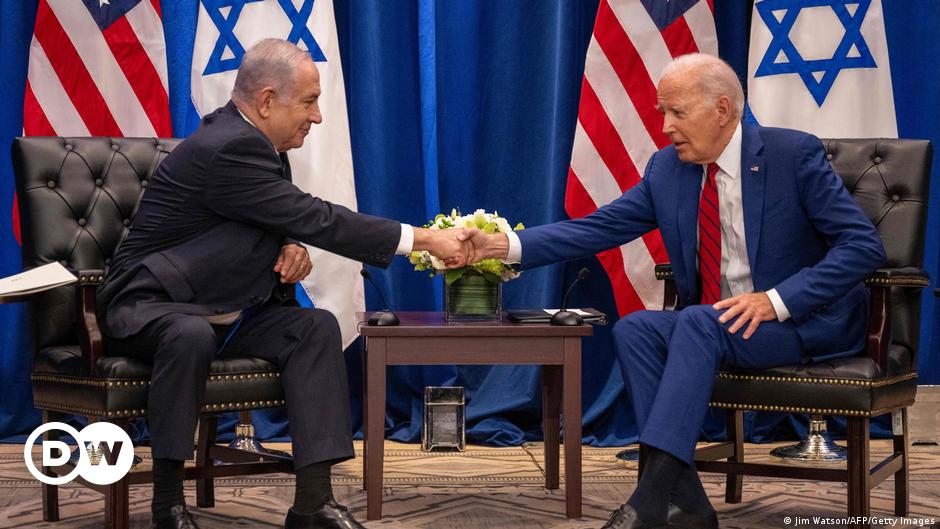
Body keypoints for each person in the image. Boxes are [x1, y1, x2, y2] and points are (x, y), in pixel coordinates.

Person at [462, 53, 886, 529]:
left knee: (698, 320)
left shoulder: (792, 156)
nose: (664, 127)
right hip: (715, 326)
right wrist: (498, 245)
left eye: (676, 112)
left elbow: (862, 246)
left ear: (722, 110)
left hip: (800, 322)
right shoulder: (669, 169)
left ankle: (648, 500)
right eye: (662, 112)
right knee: (638, 328)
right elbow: (597, 228)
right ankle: (690, 505)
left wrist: (776, 300)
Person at [98, 39, 469, 529]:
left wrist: (288, 243)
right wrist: (423, 239)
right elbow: (313, 215)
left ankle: (313, 504)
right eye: (309, 102)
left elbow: (266, 214)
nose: (316, 117)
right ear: (268, 100)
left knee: (314, 329)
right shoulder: (231, 145)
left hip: (225, 306)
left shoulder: (260, 144)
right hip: (154, 306)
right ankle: (167, 502)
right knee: (188, 335)